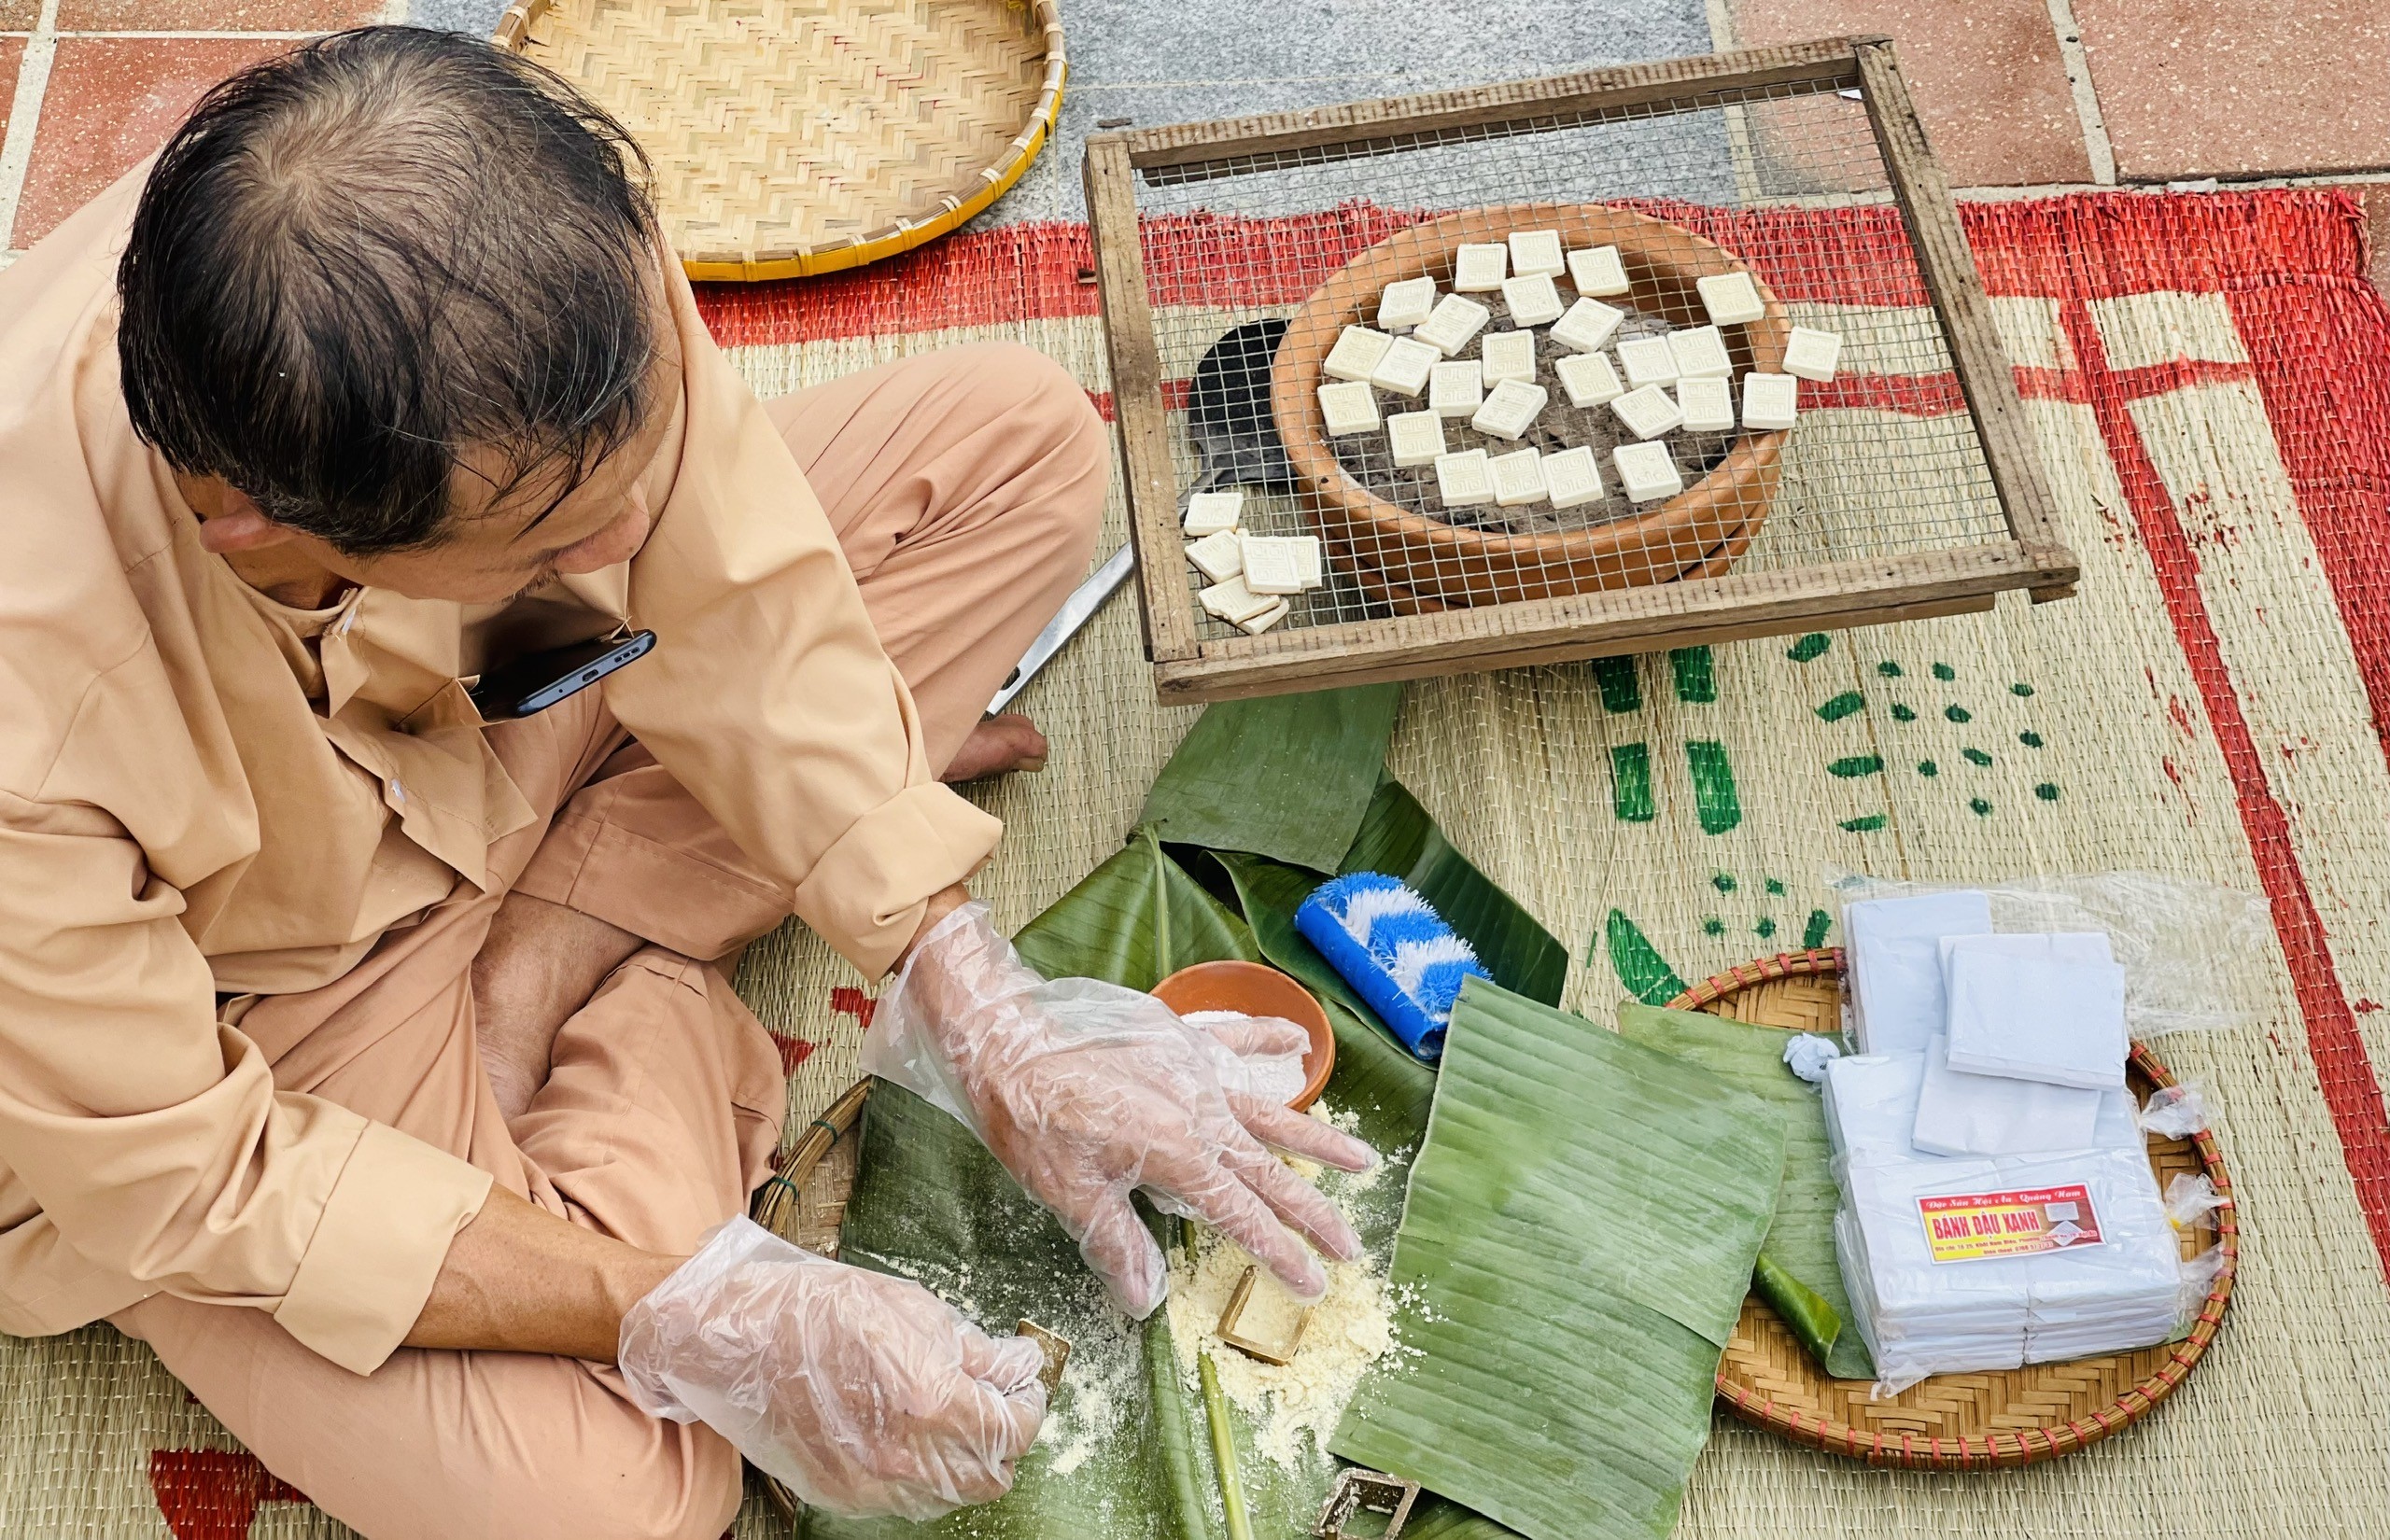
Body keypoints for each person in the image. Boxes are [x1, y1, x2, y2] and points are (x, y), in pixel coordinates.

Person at [0, 26, 1373, 1539]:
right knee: (620, 1504)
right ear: (256, 526)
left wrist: (961, 978)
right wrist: (695, 1305)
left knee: (1023, 453)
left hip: (503, 732)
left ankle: (552, 958)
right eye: (546, 548)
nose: (632, 546)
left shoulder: (498, 215)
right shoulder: (30, 701)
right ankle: (644, 978)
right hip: (266, 1002)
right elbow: (189, 1178)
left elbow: (724, 578)